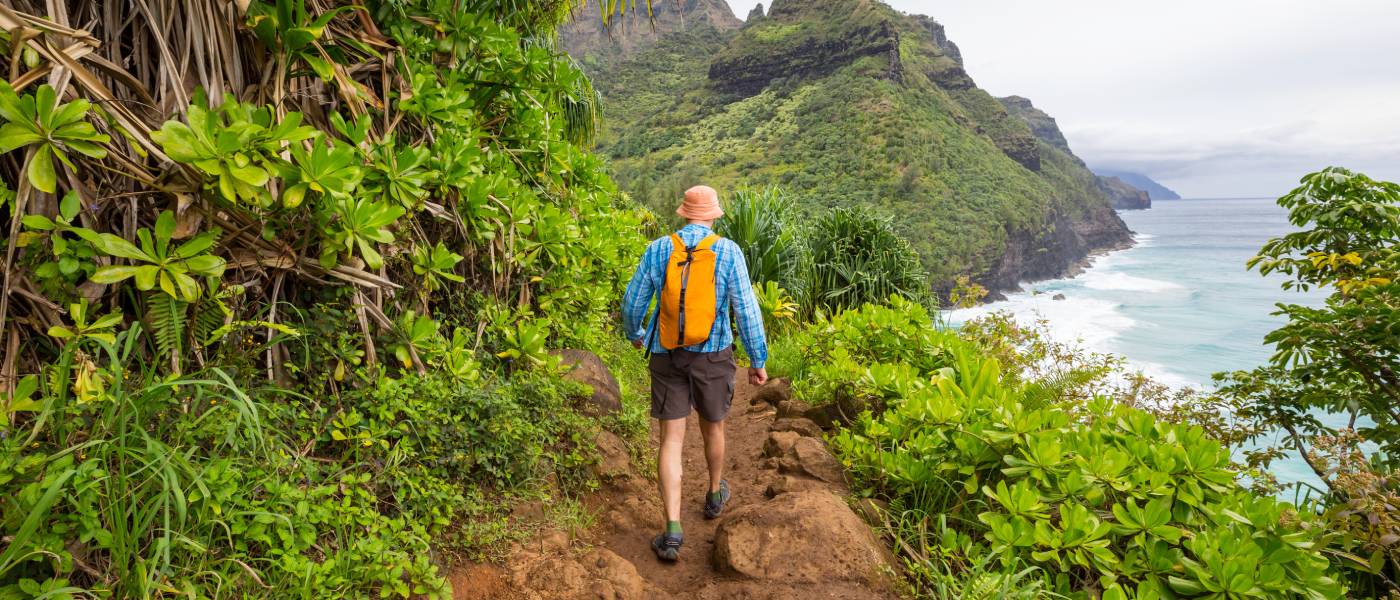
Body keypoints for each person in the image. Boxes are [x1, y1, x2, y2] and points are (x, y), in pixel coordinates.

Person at [621, 184, 769, 562]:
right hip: (713, 355)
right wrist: (757, 359)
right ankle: (715, 492)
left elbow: (632, 302)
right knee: (713, 426)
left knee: (671, 439)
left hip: (666, 354)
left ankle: (672, 530)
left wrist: (636, 333)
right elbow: (747, 309)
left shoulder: (658, 249)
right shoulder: (728, 251)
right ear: (714, 215)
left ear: (684, 213)